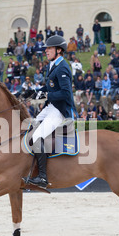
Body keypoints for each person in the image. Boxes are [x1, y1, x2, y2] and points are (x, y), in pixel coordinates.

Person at [24, 35, 76, 189]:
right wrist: (34, 93)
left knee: (37, 136)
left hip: (60, 110)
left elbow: (66, 93)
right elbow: (49, 87)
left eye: (49, 48)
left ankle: (42, 177)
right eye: (46, 48)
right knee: (31, 127)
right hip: (50, 107)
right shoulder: (52, 65)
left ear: (59, 50)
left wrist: (46, 95)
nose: (46, 51)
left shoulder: (63, 67)